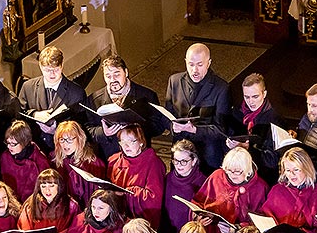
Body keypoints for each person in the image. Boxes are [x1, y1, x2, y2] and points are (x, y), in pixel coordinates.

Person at [165, 43, 230, 173]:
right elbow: (167, 115)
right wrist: (173, 126)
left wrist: (195, 129)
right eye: (191, 64)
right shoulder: (174, 81)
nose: (195, 70)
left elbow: (222, 129)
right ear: (185, 62)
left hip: (208, 153)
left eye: (200, 65)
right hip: (180, 152)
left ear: (209, 63)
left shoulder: (221, 88)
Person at [193, 146, 268, 233]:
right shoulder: (217, 176)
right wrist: (198, 217)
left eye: (237, 171)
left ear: (247, 169)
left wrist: (236, 229)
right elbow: (198, 201)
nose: (232, 175)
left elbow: (261, 222)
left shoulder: (260, 187)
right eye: (228, 170)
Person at [85, 54, 164, 160]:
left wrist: (136, 129)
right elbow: (87, 130)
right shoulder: (94, 100)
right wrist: (103, 132)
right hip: (109, 159)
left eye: (116, 74)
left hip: (139, 159)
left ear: (126, 72)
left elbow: (159, 126)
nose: (112, 80)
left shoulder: (147, 95)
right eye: (108, 76)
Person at [18, 46, 87, 152]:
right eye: (47, 70)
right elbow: (18, 115)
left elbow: (82, 128)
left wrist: (58, 131)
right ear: (40, 67)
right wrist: (34, 114)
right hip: (35, 149)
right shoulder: (28, 87)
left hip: (64, 151)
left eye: (56, 69)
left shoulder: (76, 92)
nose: (52, 74)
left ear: (62, 65)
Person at [226, 73, 284, 184]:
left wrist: (248, 149)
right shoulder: (237, 113)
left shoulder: (274, 120)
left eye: (255, 96)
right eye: (246, 97)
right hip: (238, 169)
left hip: (262, 176)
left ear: (264, 94)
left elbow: (272, 161)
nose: (251, 101)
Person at [107, 125, 166, 228]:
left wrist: (126, 193)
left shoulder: (153, 163)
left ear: (141, 141)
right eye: (122, 141)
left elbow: (153, 199)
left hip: (139, 221)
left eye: (131, 141)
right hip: (117, 216)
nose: (126, 146)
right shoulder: (114, 160)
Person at [53, 121, 107, 208]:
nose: (65, 144)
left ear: (79, 138)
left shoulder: (93, 163)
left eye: (70, 139)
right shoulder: (55, 161)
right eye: (62, 139)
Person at [162, 140, 206, 233]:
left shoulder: (202, 182)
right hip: (169, 231)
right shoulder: (168, 178)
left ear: (194, 161)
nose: (179, 165)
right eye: (176, 161)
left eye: (184, 161)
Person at [0, 120, 52, 202]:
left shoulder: (40, 160)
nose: (9, 147)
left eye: (13, 144)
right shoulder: (5, 157)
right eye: (8, 143)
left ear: (24, 142)